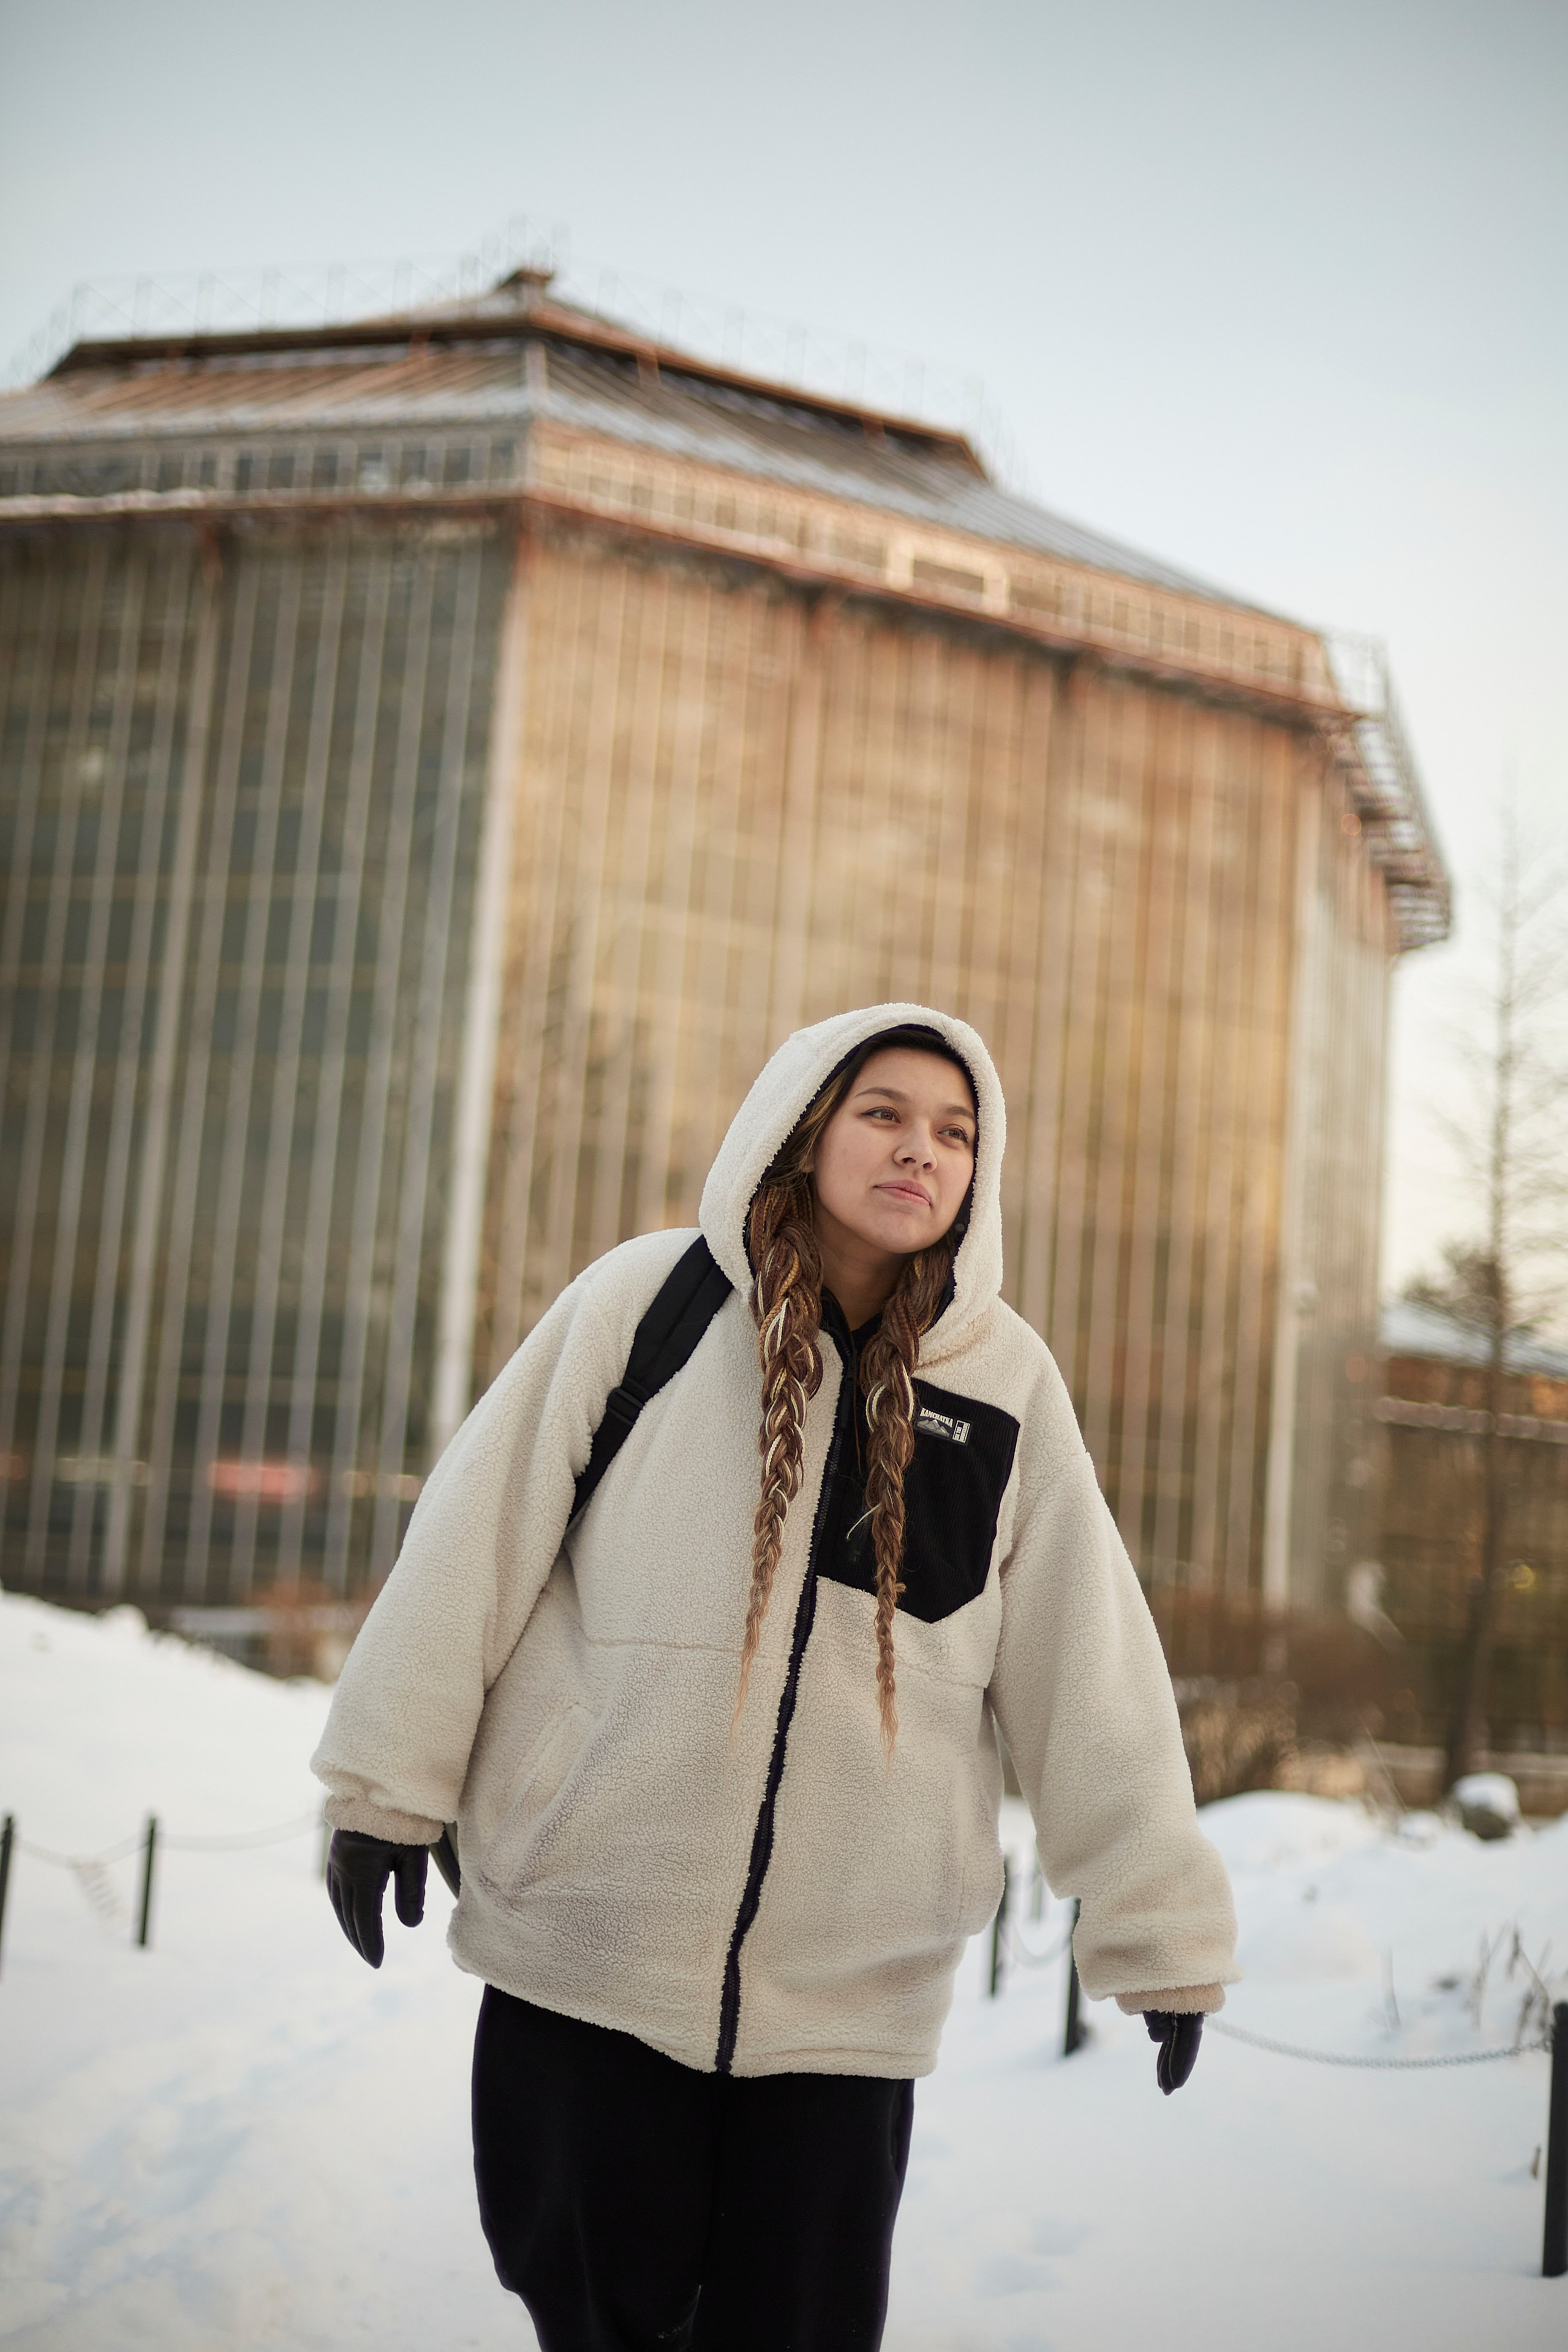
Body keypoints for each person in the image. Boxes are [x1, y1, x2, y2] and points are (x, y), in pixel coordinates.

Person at [314, 1004, 1237, 2352]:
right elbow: (474, 1540)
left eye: (954, 1131)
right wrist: (385, 1789)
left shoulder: (1003, 1388)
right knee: (590, 2313)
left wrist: (1151, 1925)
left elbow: (1080, 1661)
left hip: (842, 2004)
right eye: (883, 1115)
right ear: (802, 1134)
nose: (920, 1150)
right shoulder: (649, 1304)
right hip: (588, 1955)